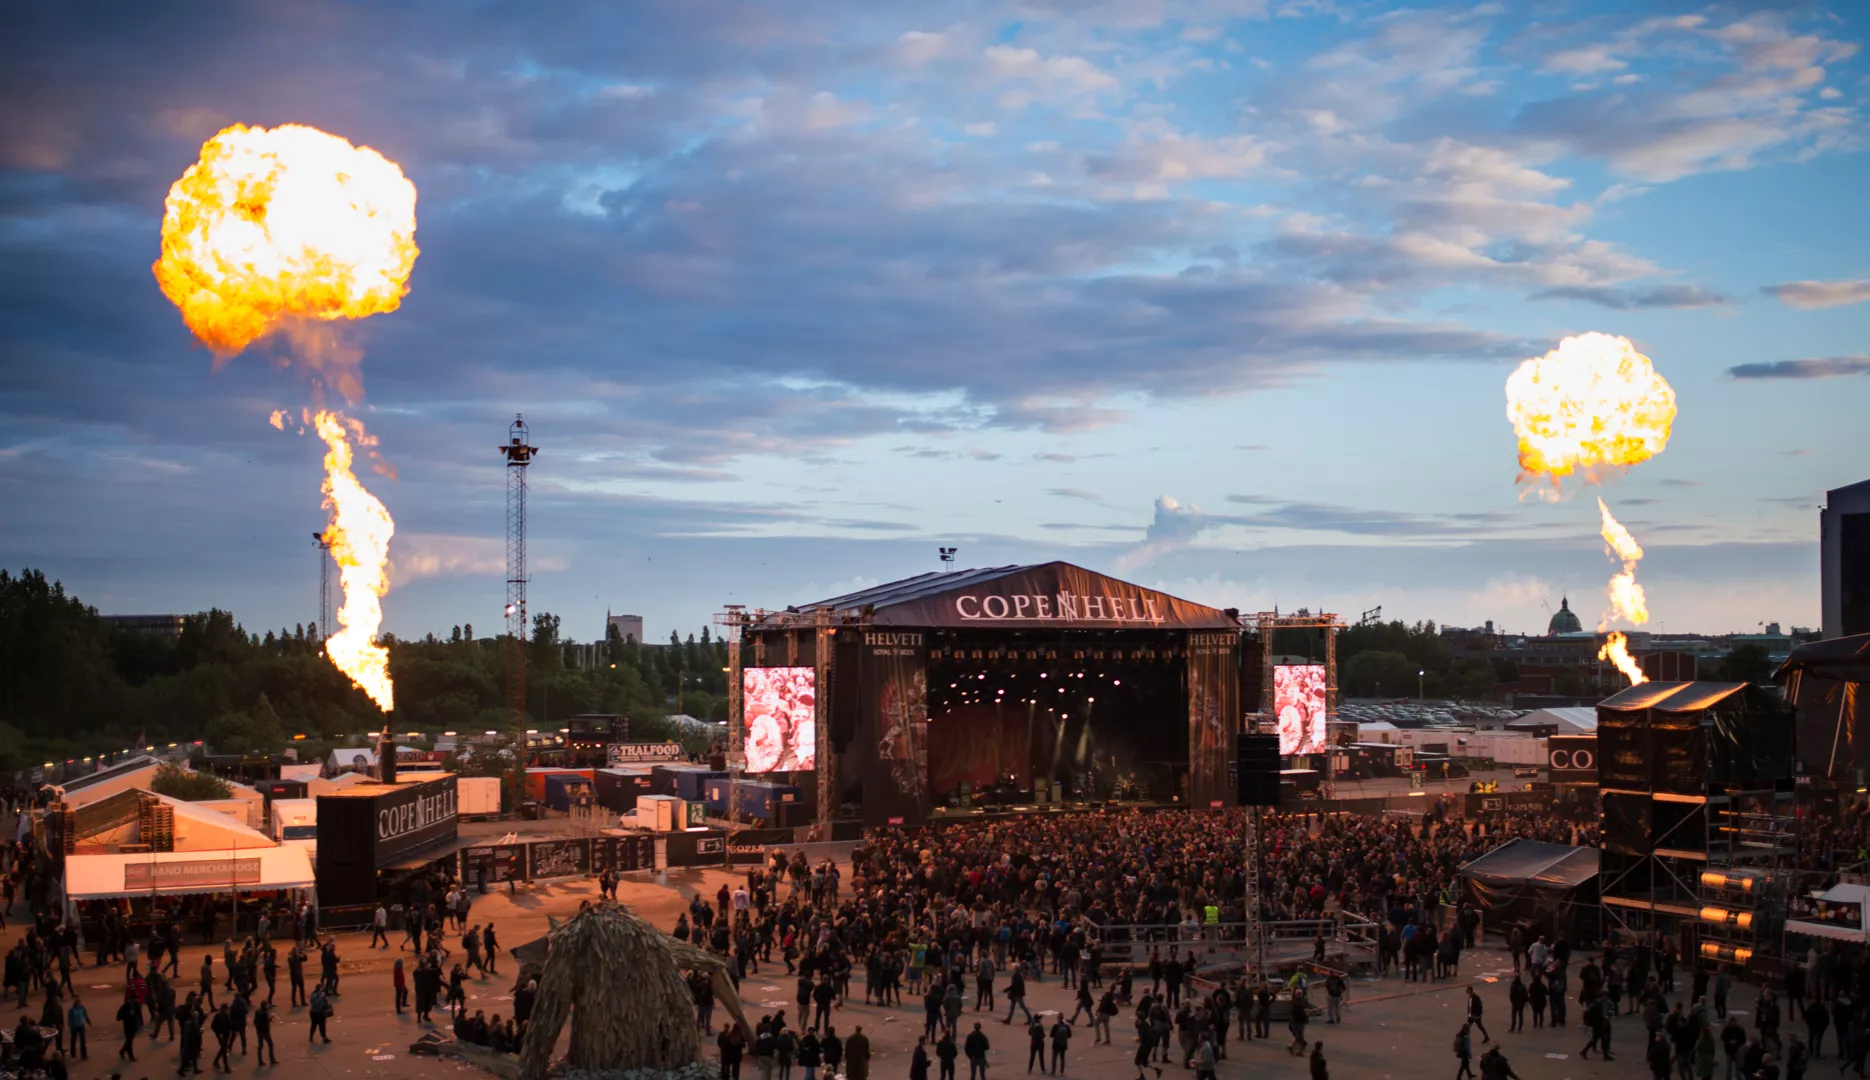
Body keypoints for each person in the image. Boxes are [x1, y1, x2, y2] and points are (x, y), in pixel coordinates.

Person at [118, 992, 143, 1062]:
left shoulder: (136, 1005)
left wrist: (141, 1023)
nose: (134, 1000)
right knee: (129, 1041)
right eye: (133, 999)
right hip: (127, 1026)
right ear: (129, 999)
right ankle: (131, 1056)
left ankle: (122, 1051)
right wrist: (128, 1014)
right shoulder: (125, 1007)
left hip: (134, 1026)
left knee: (129, 1041)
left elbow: (139, 1014)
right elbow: (118, 1017)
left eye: (135, 999)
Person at [253, 999, 276, 1067]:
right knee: (271, 1045)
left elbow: (255, 1021)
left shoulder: (257, 1012)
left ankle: (260, 1060)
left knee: (260, 1046)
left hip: (259, 1031)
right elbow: (267, 1021)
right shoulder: (265, 1013)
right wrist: (271, 1018)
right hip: (265, 1031)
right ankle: (272, 1059)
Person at [67, 993, 88, 1061]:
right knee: (73, 1041)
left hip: (81, 1026)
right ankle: (73, 1054)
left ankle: (83, 1055)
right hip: (74, 1027)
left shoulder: (82, 1008)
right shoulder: (71, 1010)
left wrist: (88, 1021)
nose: (79, 1005)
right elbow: (70, 1019)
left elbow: (85, 1015)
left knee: (83, 1041)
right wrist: (70, 1026)